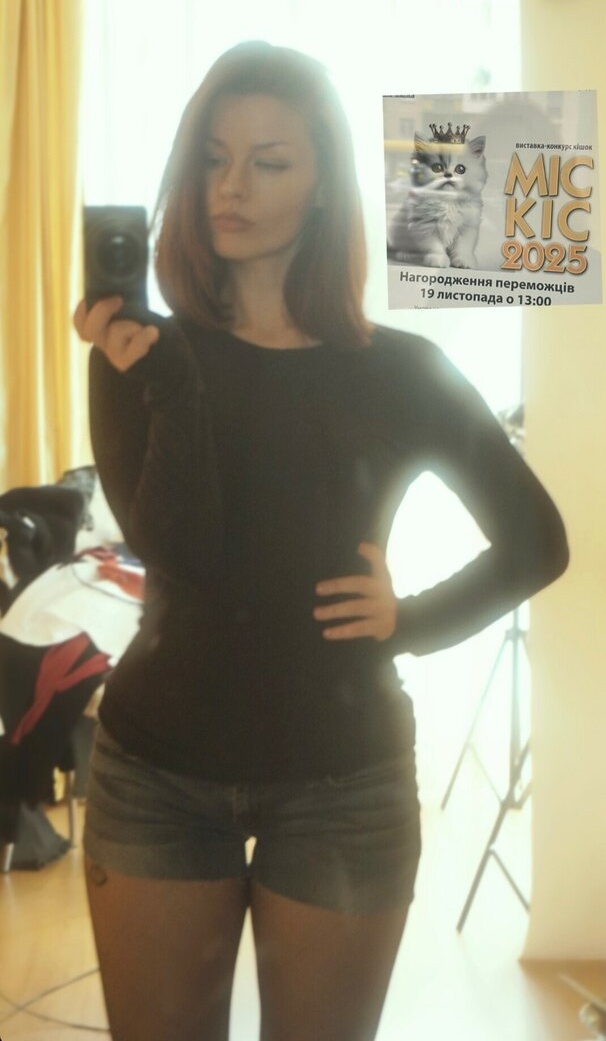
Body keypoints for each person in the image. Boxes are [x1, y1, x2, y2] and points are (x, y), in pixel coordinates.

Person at [73, 40, 569, 1041]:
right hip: (157, 773)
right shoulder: (141, 356)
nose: (232, 187)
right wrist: (168, 381)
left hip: (346, 782)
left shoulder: (404, 371)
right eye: (214, 159)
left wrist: (409, 620)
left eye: (270, 161)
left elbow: (536, 542)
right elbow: (180, 556)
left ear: (324, 186)